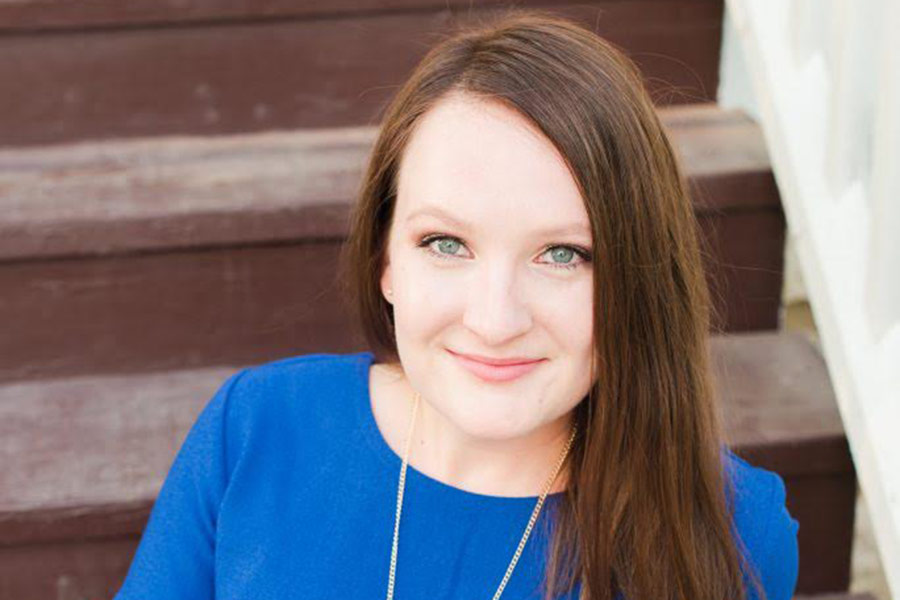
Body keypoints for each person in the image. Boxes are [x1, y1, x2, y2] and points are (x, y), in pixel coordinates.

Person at [113, 10, 799, 600]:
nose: (494, 321)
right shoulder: (258, 429)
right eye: (446, 242)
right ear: (386, 259)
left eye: (563, 254)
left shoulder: (734, 527)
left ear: (640, 279)